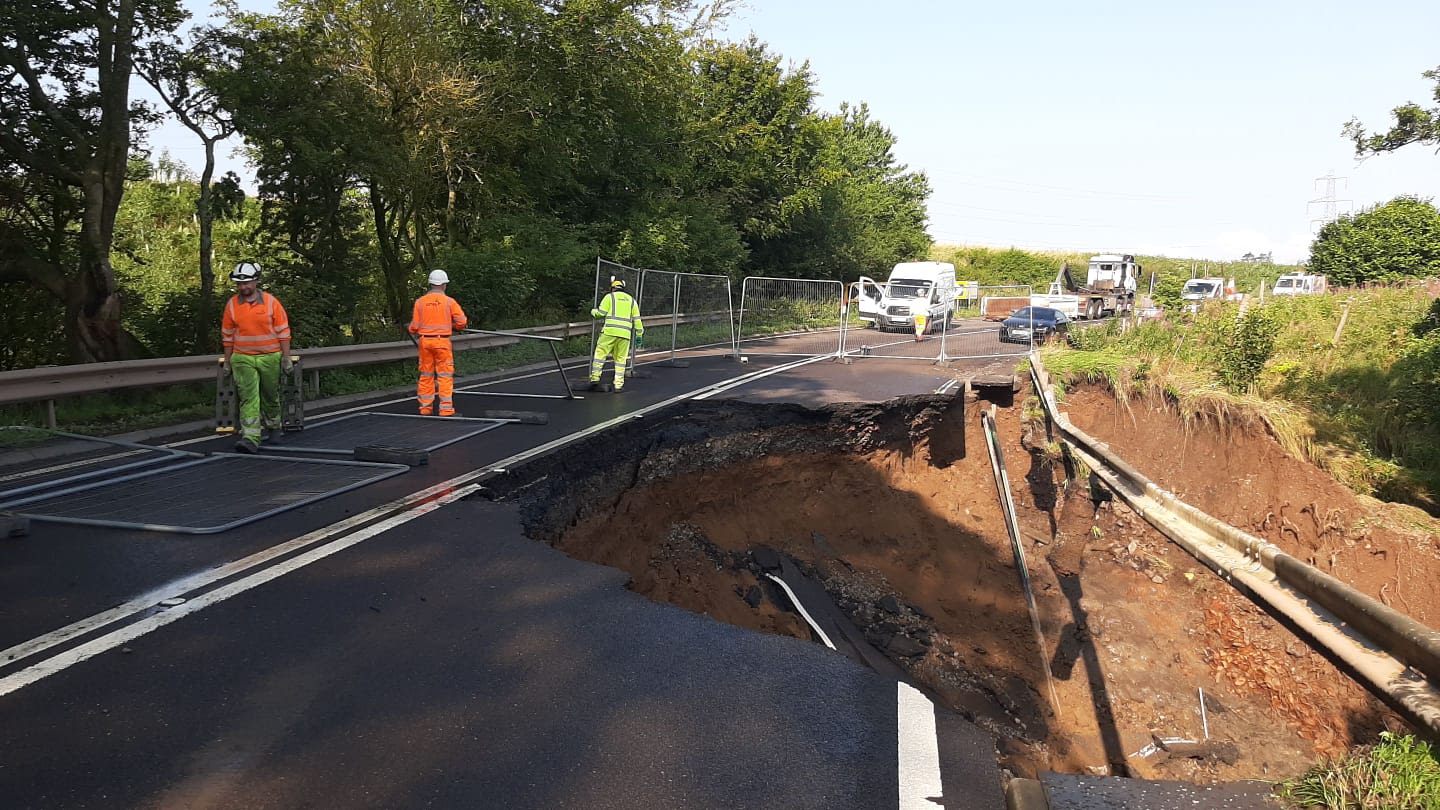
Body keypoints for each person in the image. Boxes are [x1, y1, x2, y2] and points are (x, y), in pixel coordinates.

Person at [221, 262, 292, 454]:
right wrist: (227, 361)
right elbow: (227, 335)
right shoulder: (232, 305)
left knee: (270, 394)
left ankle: (274, 427)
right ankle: (251, 438)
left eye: (247, 283)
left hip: (270, 356)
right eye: (239, 284)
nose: (243, 287)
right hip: (242, 357)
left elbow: (283, 331)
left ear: (256, 281)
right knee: (248, 398)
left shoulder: (271, 302)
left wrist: (286, 357)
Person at [408, 269, 468, 416]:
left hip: (425, 342)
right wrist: (455, 327)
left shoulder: (420, 302)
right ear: (444, 285)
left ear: (431, 284)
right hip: (442, 342)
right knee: (444, 375)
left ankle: (425, 408)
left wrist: (413, 328)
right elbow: (462, 321)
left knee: (426, 375)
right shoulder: (449, 302)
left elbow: (414, 327)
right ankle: (446, 409)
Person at [589, 277, 644, 392]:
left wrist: (593, 312)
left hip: (609, 332)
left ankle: (595, 378)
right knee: (620, 359)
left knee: (600, 355)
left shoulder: (609, 297)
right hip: (625, 335)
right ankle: (618, 385)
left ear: (613, 288)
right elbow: (637, 319)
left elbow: (601, 313)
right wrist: (639, 335)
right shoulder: (632, 300)